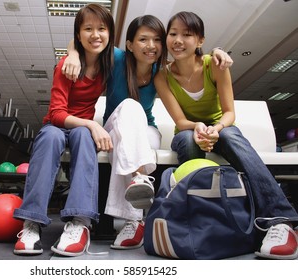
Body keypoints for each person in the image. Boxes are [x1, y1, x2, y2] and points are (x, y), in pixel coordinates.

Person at [63, 15, 233, 250]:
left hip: (146, 131)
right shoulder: (117, 59)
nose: (151, 46)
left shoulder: (161, 73)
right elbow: (88, 42)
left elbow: (198, 55)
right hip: (113, 126)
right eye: (143, 39)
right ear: (130, 45)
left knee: (126, 146)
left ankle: (134, 208)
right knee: (130, 107)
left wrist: (217, 50)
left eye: (156, 40)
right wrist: (72, 53)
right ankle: (135, 213)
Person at [154, 11, 298, 259]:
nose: (177, 40)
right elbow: (180, 120)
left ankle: (280, 220)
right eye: (173, 34)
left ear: (200, 40)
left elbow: (230, 112)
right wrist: (198, 127)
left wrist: (216, 129)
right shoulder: (163, 75)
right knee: (188, 141)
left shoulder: (215, 64)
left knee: (231, 136)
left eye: (187, 34)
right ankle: (198, 219)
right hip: (189, 130)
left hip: (221, 126)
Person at [12, 3, 115, 257]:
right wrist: (71, 54)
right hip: (57, 125)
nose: (95, 35)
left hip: (79, 131)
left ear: (110, 33)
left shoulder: (109, 64)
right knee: (50, 136)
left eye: (102, 28)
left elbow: (146, 55)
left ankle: (80, 223)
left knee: (83, 136)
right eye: (88, 29)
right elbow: (57, 114)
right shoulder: (66, 66)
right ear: (78, 34)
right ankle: (32, 223)